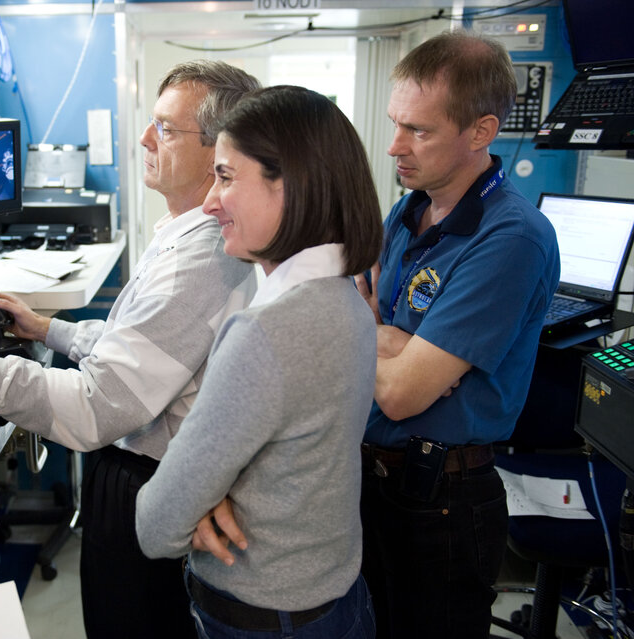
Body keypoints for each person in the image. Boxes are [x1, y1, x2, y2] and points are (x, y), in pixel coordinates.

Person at [0, 60, 260, 639]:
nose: (145, 138)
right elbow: (139, 349)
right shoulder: (184, 233)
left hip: (146, 477)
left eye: (165, 129)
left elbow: (98, 408)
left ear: (220, 149)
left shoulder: (202, 261)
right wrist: (48, 330)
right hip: (144, 466)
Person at [136, 85, 383, 639]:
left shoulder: (265, 333)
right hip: (334, 601)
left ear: (289, 184)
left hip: (262, 618)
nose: (209, 202)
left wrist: (192, 501)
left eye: (225, 177)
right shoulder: (345, 296)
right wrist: (208, 494)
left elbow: (154, 526)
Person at [352, 31, 560, 638]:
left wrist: (376, 335)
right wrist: (392, 343)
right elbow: (382, 340)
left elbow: (400, 394)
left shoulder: (511, 238)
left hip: (440, 499)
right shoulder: (410, 208)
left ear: (481, 131)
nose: (395, 146)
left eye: (419, 130)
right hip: (372, 478)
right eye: (396, 124)